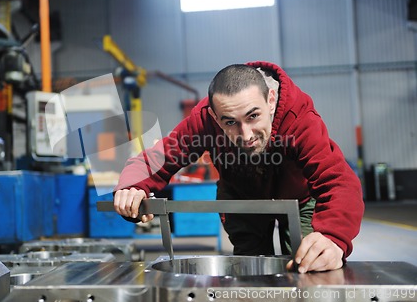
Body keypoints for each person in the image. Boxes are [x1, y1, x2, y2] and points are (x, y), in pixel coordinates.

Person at [113, 61, 364, 273]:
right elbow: (161, 156)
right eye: (230, 122)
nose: (245, 135)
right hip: (241, 196)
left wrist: (333, 237)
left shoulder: (299, 117)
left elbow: (338, 181)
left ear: (271, 100)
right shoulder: (205, 120)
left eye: (253, 116)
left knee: (309, 263)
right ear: (214, 117)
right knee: (250, 270)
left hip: (300, 199)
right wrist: (132, 186)